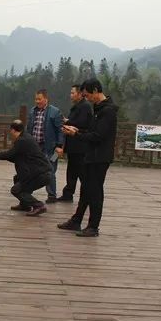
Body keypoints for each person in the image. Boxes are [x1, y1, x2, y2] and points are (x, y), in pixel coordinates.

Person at [57, 78, 118, 237]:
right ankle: (77, 220)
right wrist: (76, 130)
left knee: (96, 192)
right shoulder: (98, 108)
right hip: (91, 155)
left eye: (88, 95)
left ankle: (93, 226)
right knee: (86, 189)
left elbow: (98, 136)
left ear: (96, 91)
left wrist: (76, 134)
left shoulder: (108, 111)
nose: (87, 98)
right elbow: (91, 132)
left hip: (100, 157)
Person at [0, 119, 52, 217]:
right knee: (17, 178)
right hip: (41, 172)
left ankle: (39, 205)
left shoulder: (22, 141)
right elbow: (15, 157)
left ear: (12, 130)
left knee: (16, 190)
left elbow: (10, 154)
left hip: (40, 174)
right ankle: (25, 204)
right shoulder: (26, 137)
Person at [26, 89, 64, 203]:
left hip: (52, 148)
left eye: (39, 99)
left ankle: (52, 195)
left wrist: (59, 145)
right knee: (30, 169)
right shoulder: (33, 111)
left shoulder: (55, 112)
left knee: (50, 170)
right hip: (35, 147)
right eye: (36, 99)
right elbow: (29, 128)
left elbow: (60, 130)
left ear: (46, 99)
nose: (37, 101)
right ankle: (27, 192)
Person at [57, 84, 94, 202]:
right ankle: (68, 194)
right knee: (72, 171)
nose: (71, 95)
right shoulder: (78, 106)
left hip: (80, 145)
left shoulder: (85, 106)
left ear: (79, 94)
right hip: (74, 145)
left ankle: (88, 195)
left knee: (82, 172)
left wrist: (69, 123)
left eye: (73, 93)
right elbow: (76, 121)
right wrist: (67, 121)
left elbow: (82, 123)